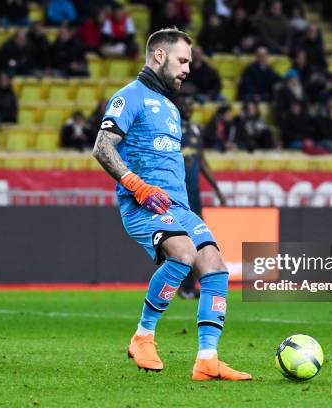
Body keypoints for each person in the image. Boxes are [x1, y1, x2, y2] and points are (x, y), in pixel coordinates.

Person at [91, 27, 251, 381]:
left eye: (189, 62)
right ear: (159, 56)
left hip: (178, 206)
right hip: (143, 204)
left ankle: (207, 360)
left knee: (215, 266)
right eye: (182, 60)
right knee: (182, 254)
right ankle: (143, 336)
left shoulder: (171, 108)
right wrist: (136, 184)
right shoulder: (128, 97)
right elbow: (103, 146)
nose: (188, 68)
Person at [174, 91, 227, 299]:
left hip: (194, 195)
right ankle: (184, 287)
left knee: (196, 241)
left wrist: (217, 189)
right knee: (180, 242)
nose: (188, 107)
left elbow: (202, 161)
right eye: (184, 104)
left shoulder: (195, 129)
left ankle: (189, 287)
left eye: (190, 103)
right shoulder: (171, 127)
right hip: (178, 195)